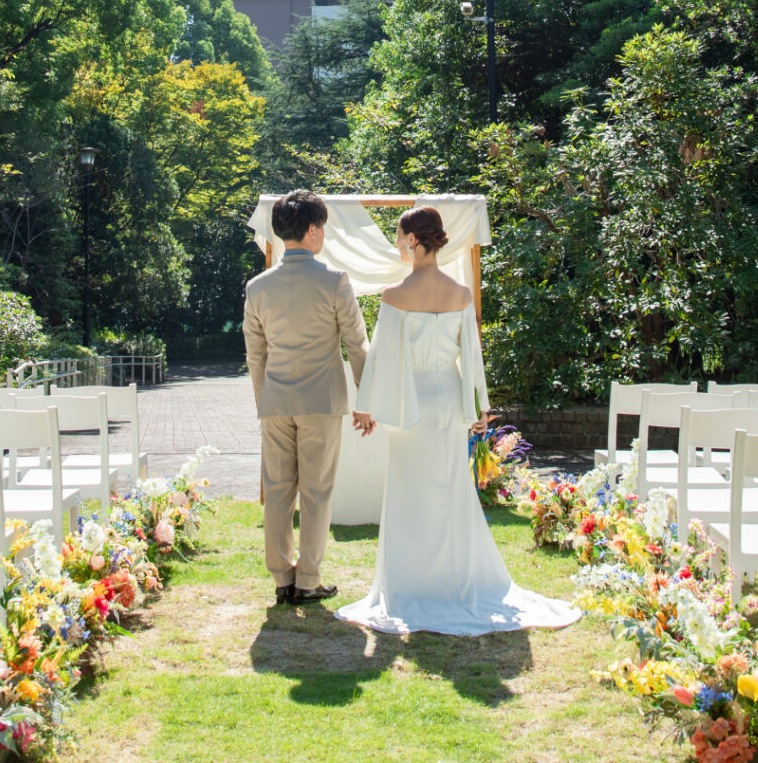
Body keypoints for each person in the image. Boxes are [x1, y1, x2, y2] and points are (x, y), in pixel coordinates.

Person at [335, 206, 580, 635]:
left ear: (413, 239)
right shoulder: (460, 295)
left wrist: (366, 407)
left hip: (412, 405)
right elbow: (472, 357)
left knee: (409, 491)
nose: (396, 243)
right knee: (449, 489)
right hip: (448, 400)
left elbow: (381, 358)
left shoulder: (394, 296)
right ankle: (452, 579)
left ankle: (412, 584)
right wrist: (478, 407)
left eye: (397, 235)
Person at [243, 190, 373, 606]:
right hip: (322, 401)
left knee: (278, 489)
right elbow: (357, 345)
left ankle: (282, 577)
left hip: (276, 400)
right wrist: (365, 399)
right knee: (317, 491)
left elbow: (255, 353)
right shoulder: (334, 280)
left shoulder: (257, 286)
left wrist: (265, 398)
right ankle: (309, 579)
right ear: (313, 231)